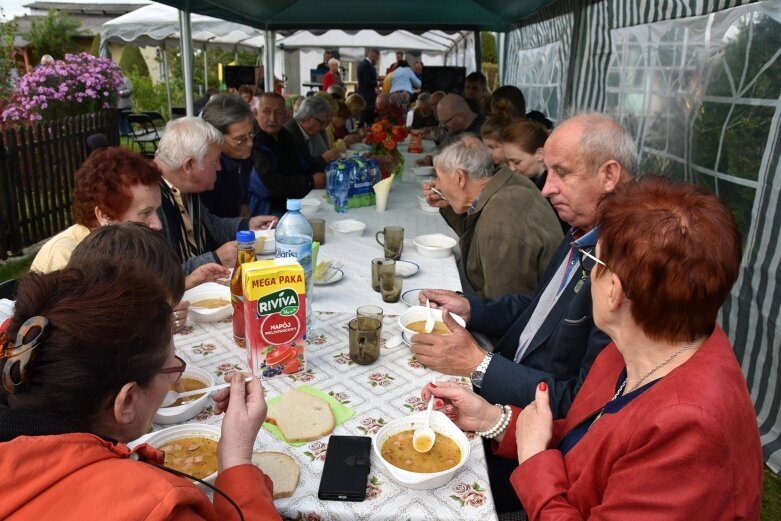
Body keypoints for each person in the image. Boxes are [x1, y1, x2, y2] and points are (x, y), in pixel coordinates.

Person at [422, 176, 763, 520]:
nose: (587, 271)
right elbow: (583, 437)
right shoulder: (638, 346)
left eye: (592, 263)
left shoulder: (689, 429)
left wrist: (534, 461)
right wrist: (493, 419)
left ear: (614, 289)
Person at [418, 113, 636, 513]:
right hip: (507, 394)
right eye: (546, 170)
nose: (545, 189)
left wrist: (480, 365)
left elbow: (582, 403)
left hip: (539, 434)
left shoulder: (625, 267)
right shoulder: (582, 233)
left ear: (609, 175)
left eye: (562, 173)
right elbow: (536, 306)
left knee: (424, 486)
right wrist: (471, 306)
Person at [0, 259, 280, 520]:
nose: (174, 379)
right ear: (126, 401)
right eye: (170, 369)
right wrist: (236, 461)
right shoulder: (159, 506)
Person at [427, 135, 562, 298]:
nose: (438, 185)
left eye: (439, 178)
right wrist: (449, 203)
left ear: (460, 177)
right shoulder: (505, 184)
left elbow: (502, 304)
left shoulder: (501, 218)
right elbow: (476, 238)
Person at [153, 117, 277, 274]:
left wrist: (247, 226)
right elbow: (157, 277)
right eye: (215, 161)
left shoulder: (186, 186)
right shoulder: (149, 202)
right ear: (189, 165)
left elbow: (211, 224)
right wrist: (216, 259)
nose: (219, 168)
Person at [31, 147, 163, 273]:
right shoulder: (65, 257)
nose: (158, 224)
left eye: (156, 210)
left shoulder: (131, 247)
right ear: (105, 215)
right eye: (145, 213)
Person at [252, 92, 326, 216]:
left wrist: (321, 169)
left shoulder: (285, 135)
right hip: (266, 211)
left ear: (285, 115)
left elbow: (303, 164)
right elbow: (269, 187)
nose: (272, 118)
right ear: (255, 113)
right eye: (266, 112)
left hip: (292, 203)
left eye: (278, 113)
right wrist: (310, 181)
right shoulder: (252, 141)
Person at [501, 118, 569, 233]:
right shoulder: (530, 183)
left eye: (517, 162)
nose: (511, 169)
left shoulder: (553, 190)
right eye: (508, 162)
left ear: (540, 155)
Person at [200, 94, 257, 218]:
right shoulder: (205, 169)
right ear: (215, 138)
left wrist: (244, 202)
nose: (250, 143)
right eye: (240, 139)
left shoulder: (244, 156)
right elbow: (209, 222)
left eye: (251, 134)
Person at [283, 96, 340, 174]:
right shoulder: (289, 134)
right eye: (322, 122)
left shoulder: (311, 131)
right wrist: (323, 159)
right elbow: (298, 168)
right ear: (307, 118)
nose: (323, 127)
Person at [357, 48, 380, 125]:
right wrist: (377, 83)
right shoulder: (366, 65)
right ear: (373, 56)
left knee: (364, 113)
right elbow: (368, 81)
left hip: (363, 92)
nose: (376, 61)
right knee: (367, 115)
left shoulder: (362, 64)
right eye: (376, 58)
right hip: (367, 95)